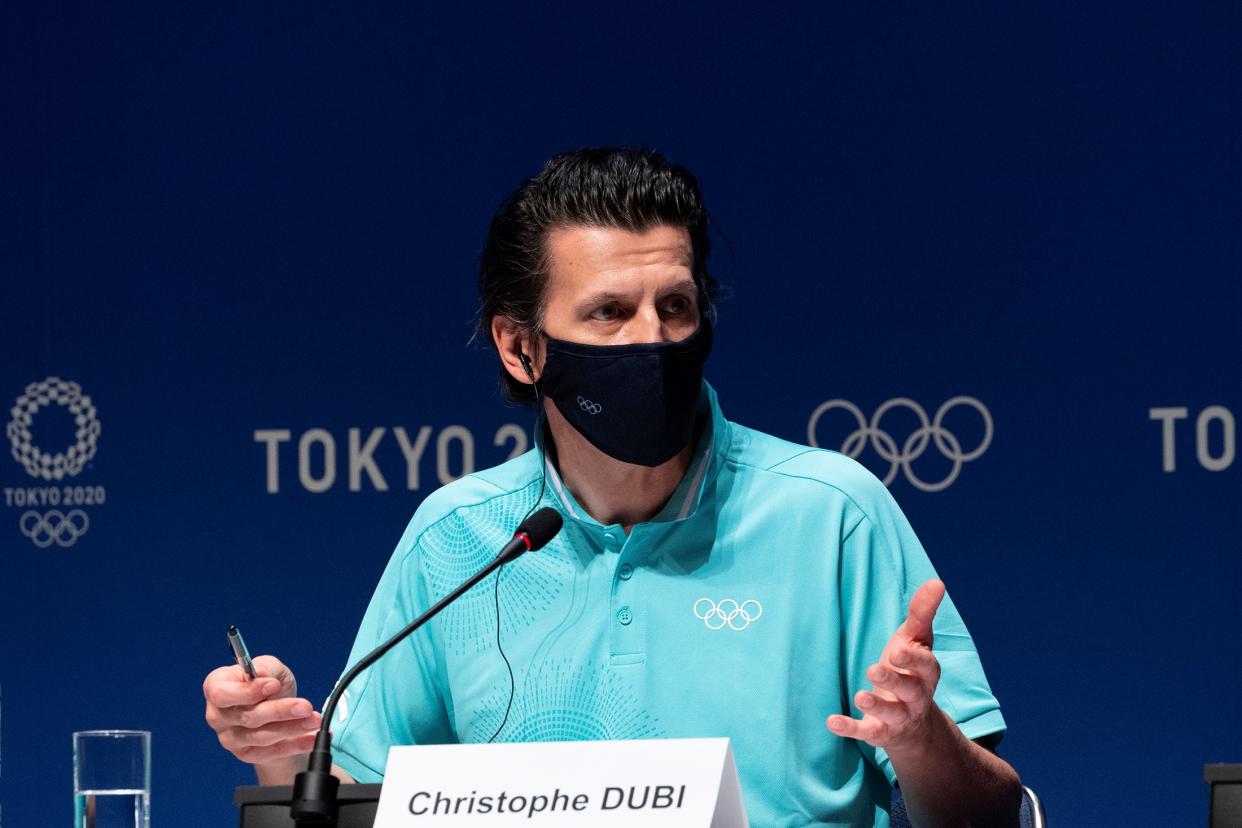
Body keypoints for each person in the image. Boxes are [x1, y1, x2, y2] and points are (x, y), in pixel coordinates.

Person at [204, 148, 1022, 826]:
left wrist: (919, 738)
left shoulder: (831, 513)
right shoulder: (455, 537)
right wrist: (279, 746)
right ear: (521, 348)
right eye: (608, 313)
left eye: (675, 305)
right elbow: (354, 803)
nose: (653, 339)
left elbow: (989, 814)